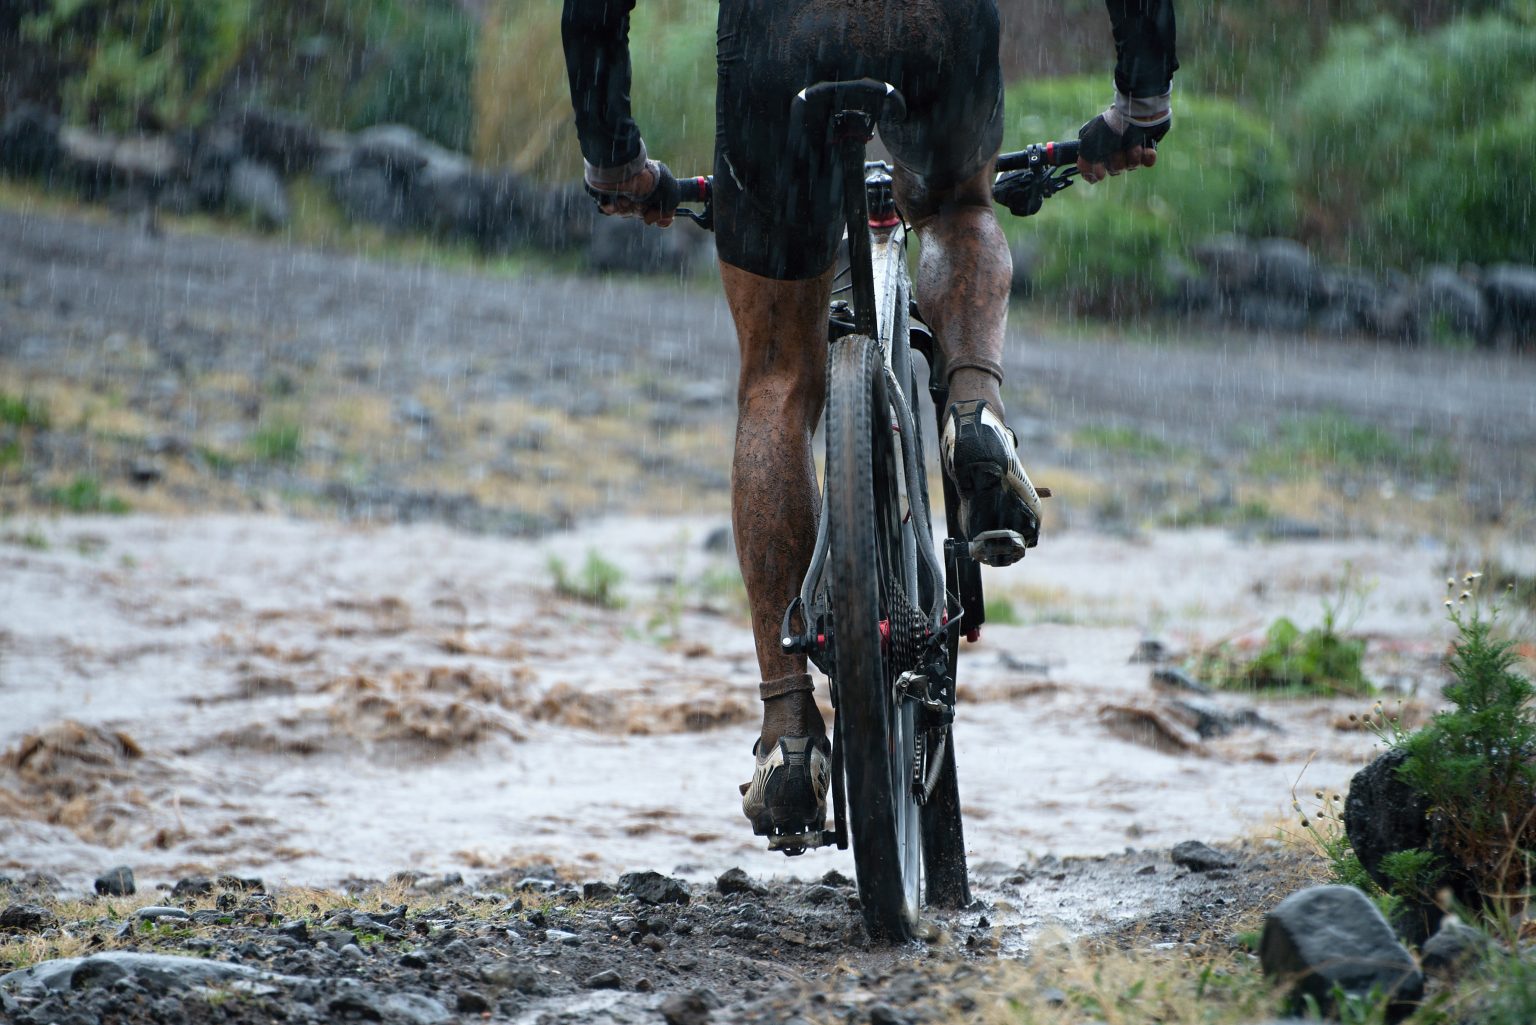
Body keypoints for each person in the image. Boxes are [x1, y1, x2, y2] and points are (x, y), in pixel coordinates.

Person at [562, 0, 1177, 848]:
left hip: (783, 45)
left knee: (776, 378)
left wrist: (614, 155)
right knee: (961, 211)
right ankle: (972, 407)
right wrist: (1139, 99)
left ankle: (787, 729)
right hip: (935, 27)